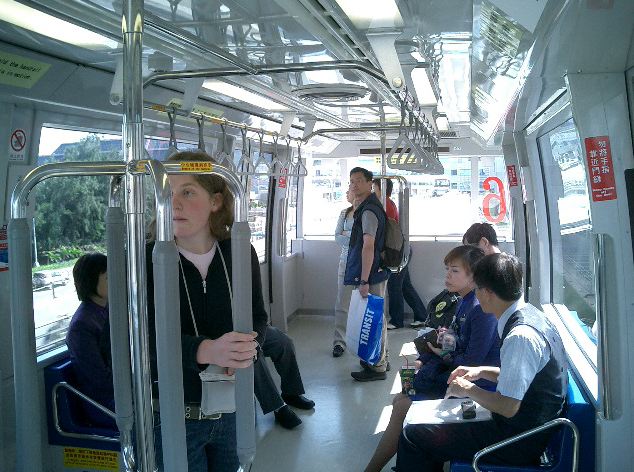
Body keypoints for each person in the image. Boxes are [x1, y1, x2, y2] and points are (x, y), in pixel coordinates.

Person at [147, 150, 264, 471]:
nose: (174, 204)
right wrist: (206, 350)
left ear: (215, 201)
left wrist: (247, 349)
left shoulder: (239, 252)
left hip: (234, 407)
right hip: (171, 415)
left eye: (187, 192)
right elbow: (134, 342)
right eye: (167, 194)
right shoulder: (146, 260)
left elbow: (258, 317)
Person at [395, 253, 567, 471]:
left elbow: (507, 406)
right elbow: (522, 378)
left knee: (413, 435)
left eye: (477, 289)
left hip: (518, 440)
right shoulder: (531, 315)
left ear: (487, 292)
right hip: (528, 426)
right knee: (427, 431)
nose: (475, 295)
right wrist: (482, 372)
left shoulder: (520, 337)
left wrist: (468, 388)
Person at [364, 245, 500, 472]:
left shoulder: (480, 310)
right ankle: (409, 460)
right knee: (401, 395)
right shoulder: (463, 301)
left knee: (402, 404)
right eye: (447, 269)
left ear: (473, 276)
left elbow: (471, 364)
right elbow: (459, 346)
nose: (447, 275)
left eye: (454, 271)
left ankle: (378, 467)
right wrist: (437, 350)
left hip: (473, 387)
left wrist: (443, 354)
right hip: (454, 375)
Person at [345, 167, 390, 381]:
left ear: (370, 183)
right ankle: (381, 359)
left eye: (359, 180)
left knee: (373, 319)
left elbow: (368, 246)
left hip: (370, 274)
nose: (354, 185)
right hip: (375, 271)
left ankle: (377, 367)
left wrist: (363, 280)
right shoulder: (368, 206)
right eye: (351, 181)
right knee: (377, 317)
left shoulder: (369, 211)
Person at [65, 252, 115, 429]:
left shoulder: (108, 310)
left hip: (119, 393)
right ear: (91, 281)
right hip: (103, 403)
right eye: (108, 277)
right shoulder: (82, 326)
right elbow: (99, 380)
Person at [372, 178, 427, 329]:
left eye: (374, 188)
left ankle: (396, 320)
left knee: (395, 286)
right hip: (401, 250)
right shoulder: (388, 204)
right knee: (405, 286)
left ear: (382, 189)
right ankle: (422, 316)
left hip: (396, 252)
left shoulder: (385, 205)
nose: (372, 191)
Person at [254, 326, 315, 429]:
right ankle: (277, 406)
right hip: (230, 334)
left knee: (284, 342)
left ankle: (291, 393)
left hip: (253, 329)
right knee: (253, 354)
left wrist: (257, 337)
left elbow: (260, 317)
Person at [332, 188, 357, 357]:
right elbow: (337, 237)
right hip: (346, 262)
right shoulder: (344, 213)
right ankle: (339, 342)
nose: (347, 193)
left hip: (363, 263)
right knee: (342, 304)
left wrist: (348, 234)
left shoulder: (367, 213)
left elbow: (366, 240)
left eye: (350, 190)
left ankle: (360, 342)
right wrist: (354, 238)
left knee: (363, 305)